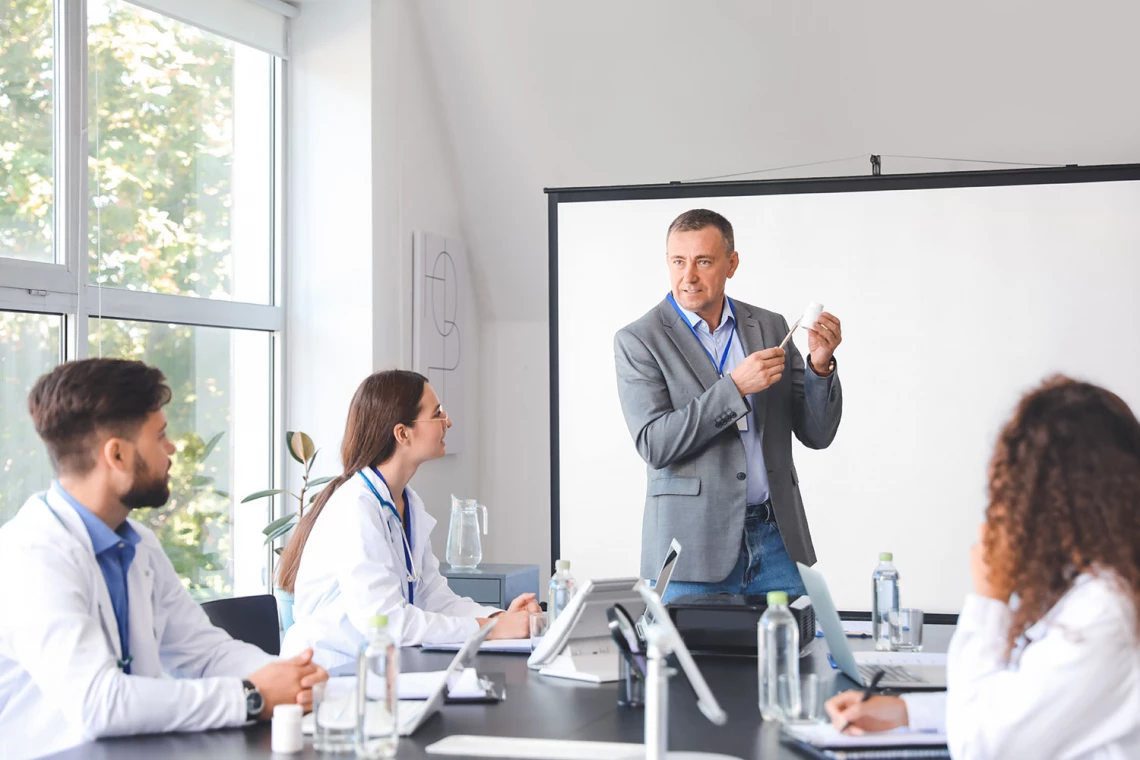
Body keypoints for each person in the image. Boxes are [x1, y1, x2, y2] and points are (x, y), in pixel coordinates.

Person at [0, 359, 327, 760]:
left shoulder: (139, 543)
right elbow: (98, 703)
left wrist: (290, 677)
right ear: (117, 455)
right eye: (160, 436)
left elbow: (205, 653)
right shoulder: (31, 556)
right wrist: (252, 696)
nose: (171, 448)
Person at [826, 376, 1140, 759]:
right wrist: (906, 711)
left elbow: (983, 746)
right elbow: (1019, 705)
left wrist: (989, 597)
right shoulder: (1096, 585)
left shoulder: (1104, 610)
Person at [614, 208, 843, 599]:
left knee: (789, 658)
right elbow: (655, 444)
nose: (688, 276)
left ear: (731, 264)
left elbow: (817, 434)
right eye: (678, 261)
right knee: (688, 662)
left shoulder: (770, 326)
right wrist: (734, 388)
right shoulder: (639, 339)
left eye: (703, 261)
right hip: (690, 548)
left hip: (776, 543)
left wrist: (820, 367)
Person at [279, 369, 539, 667]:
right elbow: (385, 622)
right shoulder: (356, 507)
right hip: (331, 671)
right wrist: (490, 629)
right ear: (403, 433)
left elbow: (434, 599)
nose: (448, 422)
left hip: (380, 667)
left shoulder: (407, 504)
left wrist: (500, 617)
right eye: (438, 414)